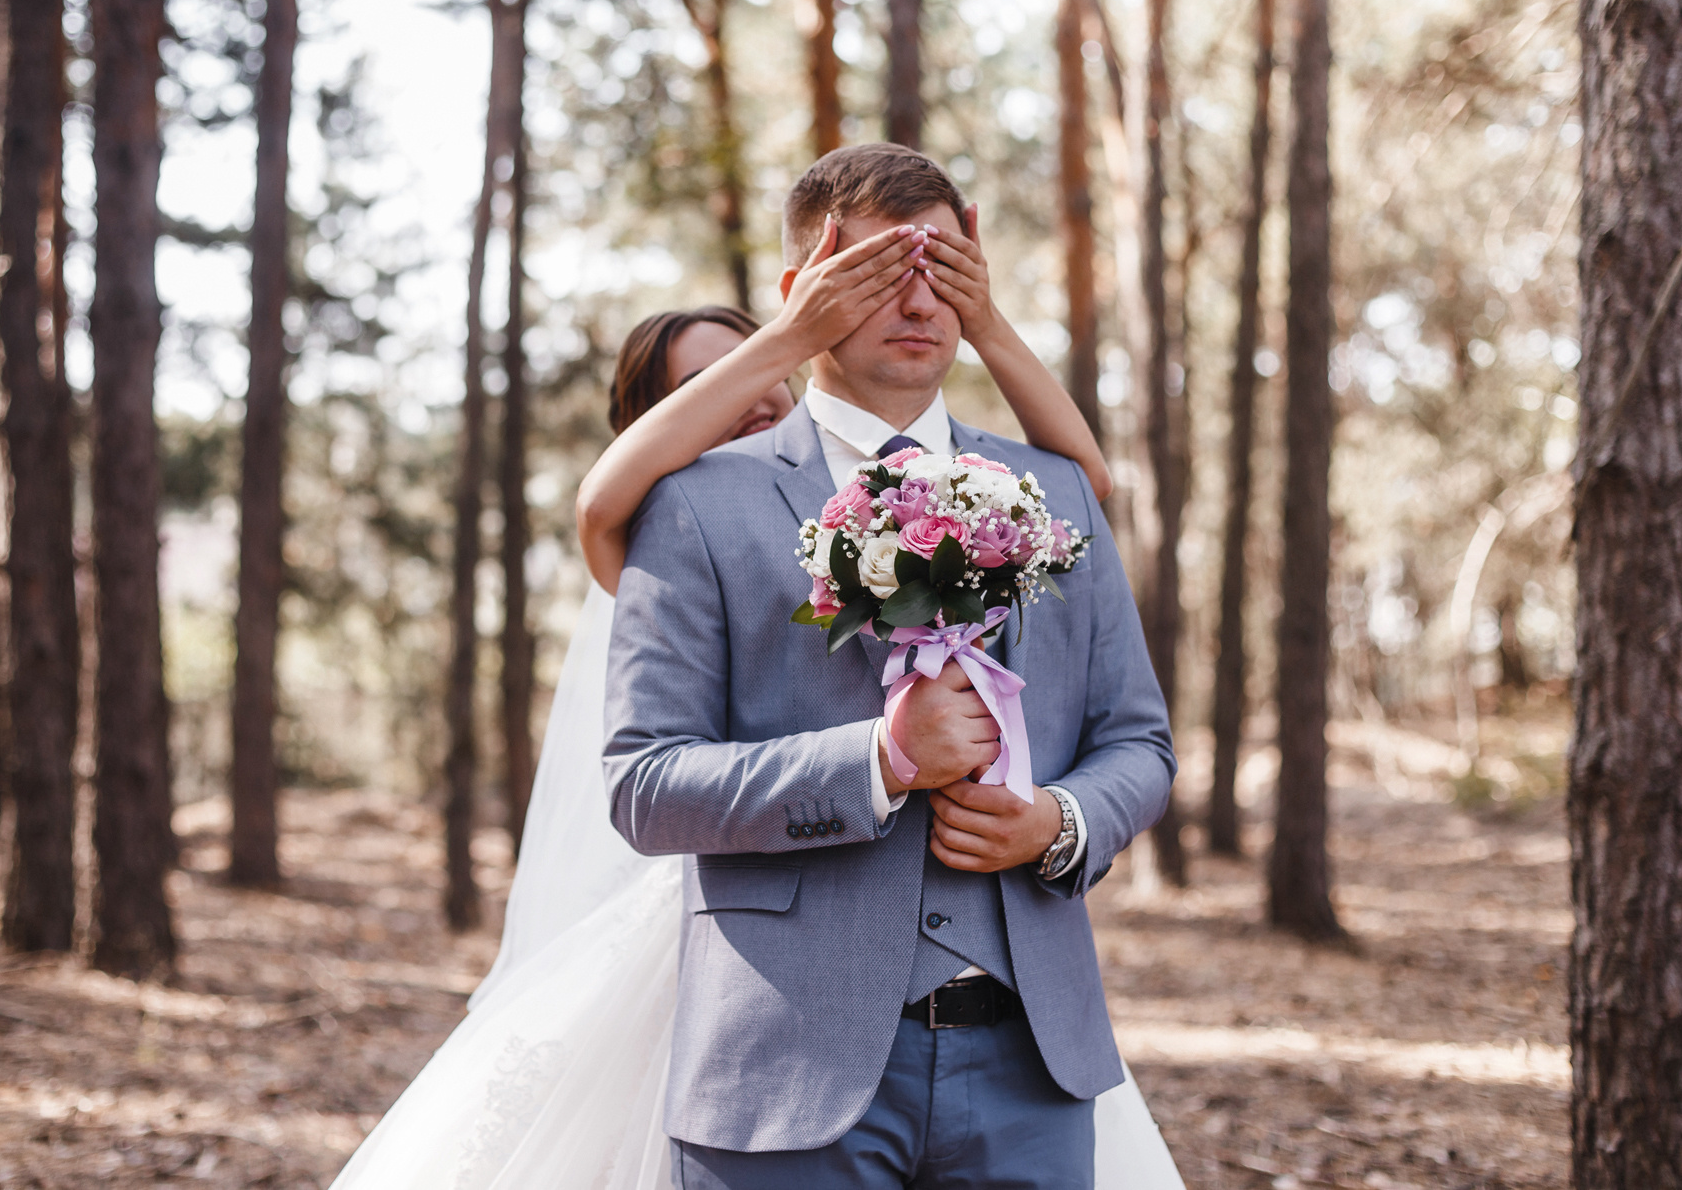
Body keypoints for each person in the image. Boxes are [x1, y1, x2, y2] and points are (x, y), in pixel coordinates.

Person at [328, 144, 1183, 1190]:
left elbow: (1135, 738)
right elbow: (644, 786)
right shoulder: (687, 506)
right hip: (781, 1079)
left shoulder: (1051, 490)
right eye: (879, 272)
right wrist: (875, 759)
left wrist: (1060, 822)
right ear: (805, 291)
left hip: (1032, 1071)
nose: (917, 301)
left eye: (942, 271)